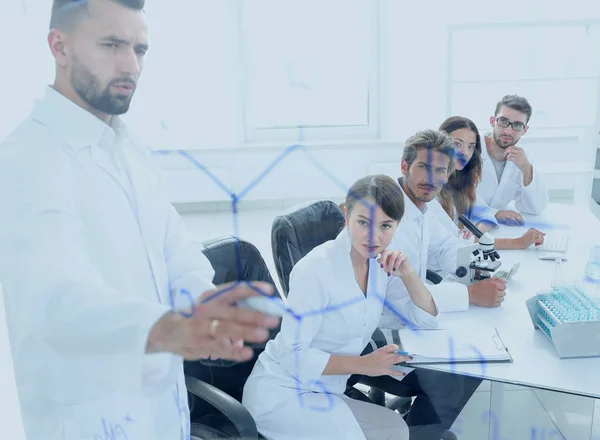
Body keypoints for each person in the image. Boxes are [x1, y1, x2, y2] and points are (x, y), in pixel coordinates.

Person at [0, 1, 280, 440]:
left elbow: (174, 250)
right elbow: (55, 301)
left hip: (163, 412)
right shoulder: (26, 160)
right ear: (60, 46)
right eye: (112, 45)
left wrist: (203, 306)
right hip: (86, 419)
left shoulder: (132, 151)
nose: (130, 64)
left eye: (140, 49)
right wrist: (166, 328)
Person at [243, 175, 440, 440]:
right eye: (363, 223)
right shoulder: (314, 270)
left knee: (396, 430)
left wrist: (408, 274)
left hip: (326, 389)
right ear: (345, 214)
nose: (373, 237)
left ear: (397, 225)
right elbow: (293, 355)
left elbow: (425, 320)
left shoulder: (382, 264)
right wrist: (364, 364)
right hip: (282, 392)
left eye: (385, 226)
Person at [382, 129, 508, 312]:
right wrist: (470, 294)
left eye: (440, 170)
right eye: (423, 167)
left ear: (448, 174)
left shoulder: (422, 206)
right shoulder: (385, 218)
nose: (430, 178)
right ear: (404, 166)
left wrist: (477, 268)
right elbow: (399, 295)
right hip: (393, 325)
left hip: (418, 313)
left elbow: (443, 246)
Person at [433, 116, 546, 250]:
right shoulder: (431, 189)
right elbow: (456, 243)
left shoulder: (460, 183)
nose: (465, 152)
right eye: (457, 144)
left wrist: (477, 230)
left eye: (471, 147)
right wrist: (518, 243)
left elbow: (485, 213)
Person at [478, 95, 549, 225]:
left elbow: (534, 209)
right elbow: (454, 197)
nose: (508, 131)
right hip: (463, 229)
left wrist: (527, 169)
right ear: (492, 121)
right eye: (503, 121)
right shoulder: (471, 149)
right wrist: (494, 213)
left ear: (525, 130)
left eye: (517, 125)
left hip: (494, 230)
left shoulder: (522, 158)